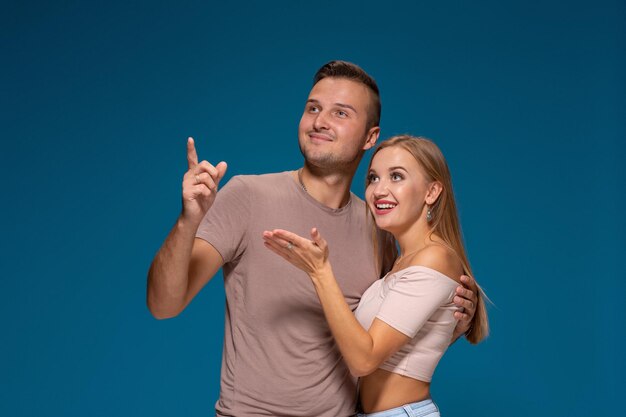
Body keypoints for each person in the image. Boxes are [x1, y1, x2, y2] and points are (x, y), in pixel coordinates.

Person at [147, 61, 479, 417]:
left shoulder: (379, 228)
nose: (320, 121)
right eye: (313, 108)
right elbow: (164, 305)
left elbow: (383, 337)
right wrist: (188, 221)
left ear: (370, 137)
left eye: (340, 112)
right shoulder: (247, 195)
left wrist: (452, 320)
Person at [262, 135, 489, 416]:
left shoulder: (435, 258)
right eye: (372, 178)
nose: (379, 190)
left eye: (396, 177)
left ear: (431, 192)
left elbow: (363, 360)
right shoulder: (400, 263)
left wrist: (320, 272)